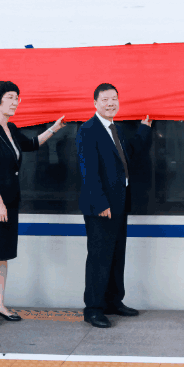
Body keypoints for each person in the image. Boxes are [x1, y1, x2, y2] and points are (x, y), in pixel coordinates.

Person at [0, 81, 65, 326]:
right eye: (11, 97)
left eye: (17, 98)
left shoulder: (10, 128)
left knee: (2, 255)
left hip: (9, 200)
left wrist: (54, 128)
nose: (15, 102)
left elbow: (31, 144)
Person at [76, 83, 152, 328]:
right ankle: (93, 309)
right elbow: (88, 171)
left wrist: (144, 129)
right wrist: (100, 203)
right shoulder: (88, 130)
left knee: (117, 255)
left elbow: (130, 152)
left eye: (114, 99)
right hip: (101, 206)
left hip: (119, 203)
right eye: (105, 99)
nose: (111, 103)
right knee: (99, 258)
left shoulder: (115, 129)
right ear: (95, 103)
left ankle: (113, 301)